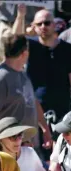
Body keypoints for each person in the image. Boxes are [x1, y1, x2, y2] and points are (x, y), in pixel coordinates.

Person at [0, 34, 52, 149]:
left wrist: (45, 129)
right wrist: (0, 142)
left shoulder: (22, 73)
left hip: (29, 145)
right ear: (25, 53)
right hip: (11, 148)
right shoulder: (1, 76)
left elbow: (33, 102)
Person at [14, 8, 71, 136]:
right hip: (34, 108)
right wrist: (20, 16)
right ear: (34, 26)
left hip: (62, 108)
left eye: (47, 23)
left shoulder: (67, 49)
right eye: (39, 24)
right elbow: (15, 40)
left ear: (55, 25)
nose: (43, 26)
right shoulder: (29, 46)